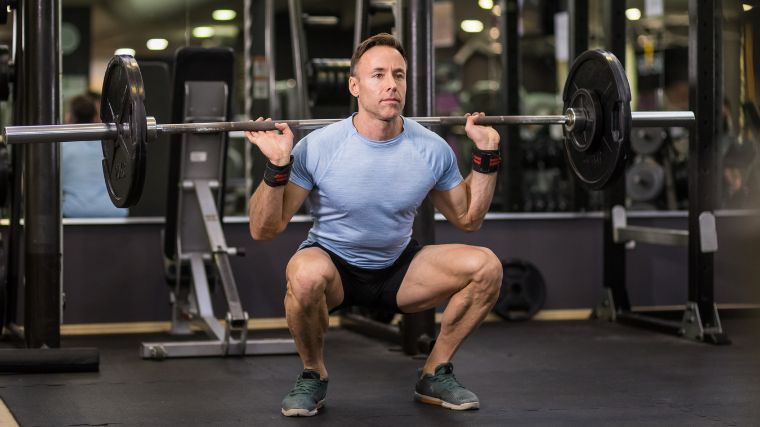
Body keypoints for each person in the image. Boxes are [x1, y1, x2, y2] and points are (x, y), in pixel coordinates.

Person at [246, 33, 503, 417]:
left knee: (487, 267)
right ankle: (313, 373)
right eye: (378, 75)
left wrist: (486, 155)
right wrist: (277, 166)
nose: (390, 85)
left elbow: (468, 219)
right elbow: (264, 229)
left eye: (398, 75)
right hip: (334, 266)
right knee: (303, 275)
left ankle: (435, 371)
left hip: (399, 269)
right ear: (354, 86)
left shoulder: (430, 148)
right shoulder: (319, 146)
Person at [61, 94, 128, 218]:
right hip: (115, 214)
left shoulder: (61, 147)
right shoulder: (111, 146)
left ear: (70, 117)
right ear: (95, 118)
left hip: (74, 215)